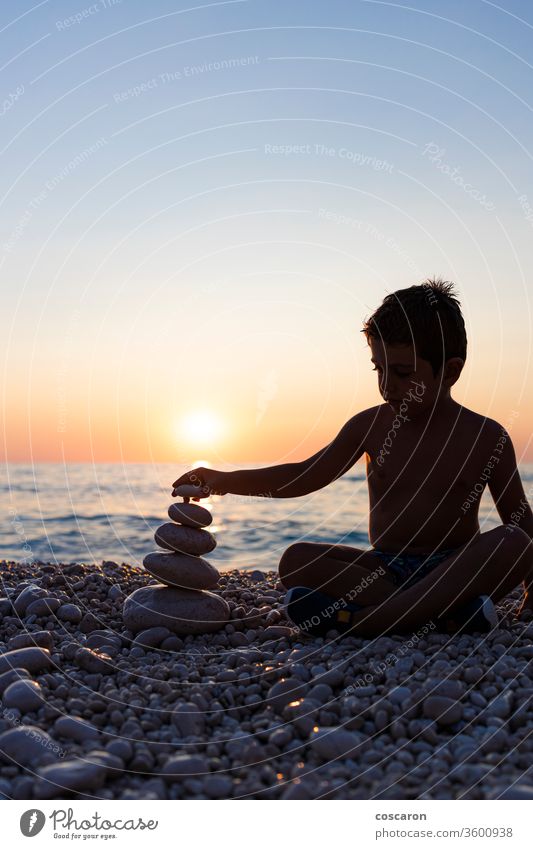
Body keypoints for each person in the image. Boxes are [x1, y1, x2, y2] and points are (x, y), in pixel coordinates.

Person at [171, 278, 533, 638]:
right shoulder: (371, 426)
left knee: (512, 541)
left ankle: (365, 622)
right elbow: (304, 475)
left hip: (454, 567)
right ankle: (445, 617)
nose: (388, 386)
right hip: (383, 571)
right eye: (380, 369)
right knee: (296, 560)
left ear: (450, 372)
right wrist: (224, 480)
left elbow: (519, 518)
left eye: (404, 373)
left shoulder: (486, 437)